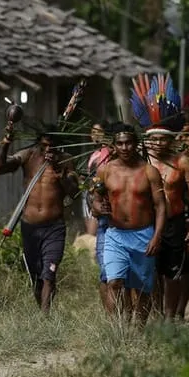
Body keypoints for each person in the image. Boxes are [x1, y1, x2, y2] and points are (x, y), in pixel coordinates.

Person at [130, 74, 189, 320]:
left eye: (163, 138)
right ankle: (158, 312)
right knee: (152, 272)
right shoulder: (139, 162)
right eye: (154, 138)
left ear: (170, 140)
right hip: (146, 225)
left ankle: (170, 316)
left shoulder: (182, 163)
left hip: (174, 223)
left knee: (172, 273)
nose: (158, 143)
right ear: (147, 140)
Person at [0, 123, 80, 314]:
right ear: (39, 144)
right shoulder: (29, 156)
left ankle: (45, 317)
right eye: (44, 145)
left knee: (49, 273)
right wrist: (6, 143)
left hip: (54, 226)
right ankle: (41, 306)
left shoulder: (66, 161)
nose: (48, 150)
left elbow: (74, 192)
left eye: (52, 146)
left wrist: (62, 175)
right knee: (36, 276)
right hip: (30, 226)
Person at [90, 122, 166, 325]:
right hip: (115, 234)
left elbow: (160, 206)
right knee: (113, 281)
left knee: (142, 287)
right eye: (120, 144)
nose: (125, 148)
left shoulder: (149, 172)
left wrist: (157, 236)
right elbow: (95, 197)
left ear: (136, 144)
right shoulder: (105, 171)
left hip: (143, 234)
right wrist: (97, 207)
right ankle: (116, 329)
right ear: (114, 146)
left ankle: (139, 328)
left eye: (129, 143)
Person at [85, 122, 114, 313]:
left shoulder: (137, 162)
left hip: (133, 224)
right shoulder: (98, 160)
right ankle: (111, 320)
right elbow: (92, 190)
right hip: (106, 220)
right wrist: (95, 205)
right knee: (106, 272)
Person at [83, 122, 111, 236]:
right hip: (89, 196)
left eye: (99, 132)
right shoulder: (95, 153)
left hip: (100, 197)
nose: (96, 135)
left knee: (93, 233)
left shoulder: (107, 153)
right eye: (93, 132)